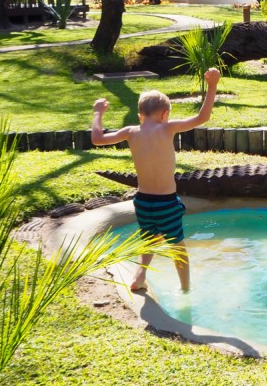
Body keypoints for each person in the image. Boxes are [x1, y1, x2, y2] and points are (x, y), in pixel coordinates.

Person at [91, 67, 221, 292]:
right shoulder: (167, 128)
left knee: (150, 239)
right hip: (166, 202)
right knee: (178, 250)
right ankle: (185, 289)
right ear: (164, 114)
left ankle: (139, 277)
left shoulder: (130, 131)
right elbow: (203, 117)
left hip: (142, 202)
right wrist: (212, 85)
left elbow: (98, 139)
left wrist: (98, 112)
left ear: (140, 115)